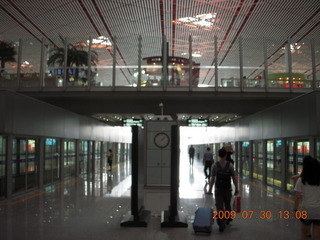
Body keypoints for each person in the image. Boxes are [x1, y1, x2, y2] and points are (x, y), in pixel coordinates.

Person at [207, 148, 239, 232]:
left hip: (218, 189)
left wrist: (210, 190)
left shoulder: (215, 165)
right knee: (228, 205)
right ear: (225, 155)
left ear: (218, 155)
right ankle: (227, 219)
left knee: (219, 207)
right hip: (228, 189)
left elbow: (212, 179)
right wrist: (237, 188)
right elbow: (234, 178)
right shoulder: (230, 165)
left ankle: (221, 224)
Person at [294, 156, 320, 240]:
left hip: (306, 210)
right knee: (317, 232)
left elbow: (297, 197)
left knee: (304, 232)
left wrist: (295, 209)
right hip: (318, 210)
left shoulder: (301, 180)